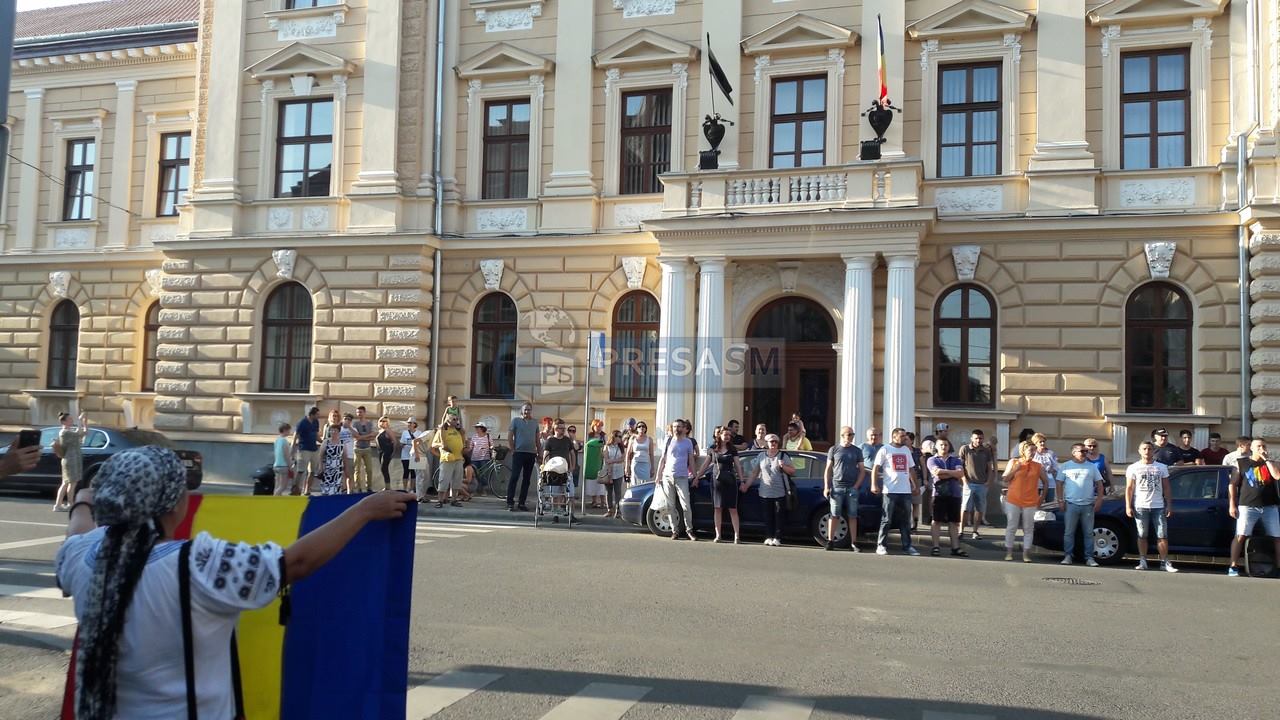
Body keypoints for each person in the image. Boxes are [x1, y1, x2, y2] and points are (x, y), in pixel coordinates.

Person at [55, 444, 412, 720]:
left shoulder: (81, 556)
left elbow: (79, 529)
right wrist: (364, 510)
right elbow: (297, 562)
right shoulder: (197, 564)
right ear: (171, 504)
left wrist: (82, 501)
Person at [1227, 438, 1280, 577]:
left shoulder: (1270, 463)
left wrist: (1267, 459)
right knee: (1241, 535)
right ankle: (1233, 565)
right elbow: (1232, 484)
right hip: (1247, 506)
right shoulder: (1241, 463)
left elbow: (1277, 475)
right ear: (1251, 448)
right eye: (1258, 446)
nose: (1261, 448)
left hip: (1269, 506)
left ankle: (1278, 567)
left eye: (1263, 446)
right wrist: (1232, 504)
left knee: (1277, 536)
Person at [1125, 440, 1178, 573]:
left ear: (1154, 451)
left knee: (1162, 535)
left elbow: (1166, 487)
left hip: (1158, 506)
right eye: (1144, 449)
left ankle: (1164, 561)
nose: (1147, 451)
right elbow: (1129, 488)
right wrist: (1128, 506)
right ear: (1139, 451)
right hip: (1140, 506)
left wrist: (1169, 505)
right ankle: (1143, 560)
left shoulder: (1161, 467)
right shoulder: (1133, 467)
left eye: (1149, 449)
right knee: (1142, 534)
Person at [871, 428, 919, 556]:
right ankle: (881, 545)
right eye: (902, 436)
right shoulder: (885, 449)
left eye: (905, 436)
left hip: (905, 491)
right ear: (894, 437)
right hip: (890, 491)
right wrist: (874, 484)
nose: (905, 438)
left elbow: (911, 469)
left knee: (905, 520)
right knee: (886, 519)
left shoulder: (906, 450)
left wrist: (915, 485)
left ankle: (907, 546)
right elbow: (876, 468)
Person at [1058, 442, 1105, 567]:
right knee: (1069, 532)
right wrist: (1060, 501)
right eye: (1082, 451)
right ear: (1073, 453)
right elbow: (1059, 483)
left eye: (1086, 451)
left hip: (1088, 504)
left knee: (1089, 532)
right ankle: (1068, 555)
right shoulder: (1065, 466)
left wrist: (1099, 500)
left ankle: (1089, 557)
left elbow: (1100, 484)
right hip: (1071, 504)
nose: (1085, 453)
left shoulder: (1091, 467)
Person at [743, 434, 793, 547]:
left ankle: (778, 537)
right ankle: (769, 536)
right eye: (771, 442)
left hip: (779, 491)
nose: (773, 444)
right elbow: (755, 473)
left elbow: (792, 471)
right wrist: (746, 485)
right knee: (767, 516)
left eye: (775, 441)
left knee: (779, 515)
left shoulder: (783, 455)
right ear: (767, 443)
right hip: (765, 492)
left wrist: (783, 466)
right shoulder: (761, 456)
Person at [1002, 441, 1047, 563]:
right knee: (1012, 526)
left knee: (1028, 528)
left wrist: (1041, 498)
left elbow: (1046, 482)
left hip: (1031, 500)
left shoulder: (1038, 466)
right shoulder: (1014, 462)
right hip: (1013, 499)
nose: (1033, 453)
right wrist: (1015, 469)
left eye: (1034, 450)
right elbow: (1005, 479)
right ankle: (1009, 553)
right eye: (1030, 450)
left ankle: (1026, 554)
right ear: (1023, 451)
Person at [823, 426, 865, 552]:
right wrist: (826, 486)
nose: (851, 437)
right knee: (834, 514)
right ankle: (830, 541)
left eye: (852, 434)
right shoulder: (834, 449)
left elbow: (862, 470)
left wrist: (856, 486)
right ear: (842, 435)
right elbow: (828, 469)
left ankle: (854, 542)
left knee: (853, 515)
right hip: (837, 486)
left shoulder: (857, 451)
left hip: (852, 487)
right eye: (849, 434)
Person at [654, 419, 697, 541]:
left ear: (684, 428)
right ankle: (675, 531)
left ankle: (689, 530)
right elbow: (663, 459)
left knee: (686, 505)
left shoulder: (688, 442)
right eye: (674, 427)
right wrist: (658, 476)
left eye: (679, 427)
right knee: (670, 506)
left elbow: (692, 460)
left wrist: (694, 476)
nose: (676, 429)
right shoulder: (668, 441)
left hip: (682, 477)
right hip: (667, 476)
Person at [927, 438, 966, 557]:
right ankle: (935, 547)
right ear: (937, 447)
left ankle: (955, 547)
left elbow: (960, 474)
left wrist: (945, 473)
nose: (944, 447)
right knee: (936, 521)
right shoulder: (932, 459)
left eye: (946, 445)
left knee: (954, 522)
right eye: (941, 445)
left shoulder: (956, 460)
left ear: (949, 446)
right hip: (939, 494)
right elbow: (936, 473)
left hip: (954, 494)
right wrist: (952, 473)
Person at [710, 426, 745, 543]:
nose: (727, 437)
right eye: (725, 435)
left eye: (729, 435)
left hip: (730, 481)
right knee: (717, 508)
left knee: (733, 508)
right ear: (719, 435)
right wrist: (697, 477)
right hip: (717, 482)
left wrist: (742, 481)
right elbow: (706, 464)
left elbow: (738, 466)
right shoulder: (714, 449)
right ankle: (718, 535)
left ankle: (737, 536)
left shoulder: (732, 449)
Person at [959, 429, 996, 539]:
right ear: (971, 438)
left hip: (982, 484)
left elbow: (990, 467)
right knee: (965, 508)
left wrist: (989, 481)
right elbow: (960, 466)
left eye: (980, 438)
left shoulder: (986, 451)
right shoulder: (965, 449)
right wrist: (964, 480)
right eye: (976, 438)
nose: (978, 440)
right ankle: (961, 530)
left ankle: (975, 531)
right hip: (969, 483)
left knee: (979, 509)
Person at [507, 403, 541, 511]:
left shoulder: (535, 422)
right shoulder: (516, 421)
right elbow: (510, 436)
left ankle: (521, 503)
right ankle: (510, 502)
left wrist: (539, 453)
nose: (527, 412)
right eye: (525, 410)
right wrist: (512, 449)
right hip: (519, 453)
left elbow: (537, 439)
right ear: (522, 410)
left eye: (529, 410)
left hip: (531, 453)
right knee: (514, 477)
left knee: (527, 479)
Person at [53, 411, 88, 511]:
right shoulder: (64, 432)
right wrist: (80, 421)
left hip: (74, 459)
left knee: (67, 483)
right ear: (63, 422)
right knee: (71, 483)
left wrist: (84, 422)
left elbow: (84, 433)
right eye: (70, 419)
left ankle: (58, 505)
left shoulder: (70, 431)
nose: (72, 420)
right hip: (70, 460)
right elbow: (79, 433)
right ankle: (69, 504)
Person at [542, 419, 578, 514]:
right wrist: (547, 468)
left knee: (571, 494)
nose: (563, 430)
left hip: (566, 470)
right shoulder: (550, 440)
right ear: (556, 428)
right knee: (555, 494)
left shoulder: (567, 440)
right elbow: (546, 455)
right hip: (554, 471)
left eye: (564, 428)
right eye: (561, 428)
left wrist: (573, 466)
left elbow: (572, 453)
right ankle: (555, 514)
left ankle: (571, 514)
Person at [431, 414, 466, 508]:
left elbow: (463, 443)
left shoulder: (458, 431)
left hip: (458, 458)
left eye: (457, 419)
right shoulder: (442, 431)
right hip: (447, 459)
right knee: (444, 480)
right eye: (454, 419)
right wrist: (441, 451)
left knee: (457, 481)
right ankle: (440, 501)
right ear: (448, 421)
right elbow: (434, 445)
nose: (456, 421)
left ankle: (454, 499)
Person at [292, 407, 322, 494]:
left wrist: (323, 442)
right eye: (317, 414)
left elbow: (316, 435)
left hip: (314, 449)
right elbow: (296, 436)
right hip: (304, 449)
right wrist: (292, 449)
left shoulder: (316, 422)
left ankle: (307, 490)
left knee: (312, 471)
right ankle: (295, 490)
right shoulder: (302, 422)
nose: (318, 416)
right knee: (300, 470)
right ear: (312, 414)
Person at [350, 406, 377, 493]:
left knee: (369, 469)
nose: (359, 414)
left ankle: (369, 487)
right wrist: (366, 437)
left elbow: (373, 436)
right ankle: (358, 488)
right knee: (357, 470)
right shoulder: (355, 424)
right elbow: (355, 436)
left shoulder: (369, 423)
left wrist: (361, 437)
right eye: (357, 412)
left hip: (367, 449)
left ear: (364, 412)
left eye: (360, 412)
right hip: (357, 448)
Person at [318, 424, 349, 496]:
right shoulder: (326, 442)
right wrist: (320, 466)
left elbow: (345, 456)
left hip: (338, 468)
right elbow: (320, 455)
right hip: (327, 468)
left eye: (335, 430)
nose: (333, 432)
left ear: (338, 431)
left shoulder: (342, 443)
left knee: (337, 487)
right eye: (331, 430)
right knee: (326, 488)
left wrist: (346, 468)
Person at [602, 431, 627, 518]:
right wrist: (610, 469)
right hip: (609, 471)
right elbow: (606, 459)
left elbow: (622, 458)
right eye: (619, 436)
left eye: (621, 436)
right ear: (614, 437)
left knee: (618, 492)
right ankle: (609, 510)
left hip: (619, 472)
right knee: (608, 492)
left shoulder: (621, 447)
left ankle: (618, 510)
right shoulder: (607, 447)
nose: (621, 438)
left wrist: (613, 461)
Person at [465, 422, 494, 495]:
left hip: (484, 458)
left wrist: (490, 448)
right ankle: (474, 490)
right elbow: (471, 447)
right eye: (476, 427)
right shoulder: (474, 436)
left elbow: (492, 445)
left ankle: (483, 490)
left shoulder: (488, 436)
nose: (476, 429)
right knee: (474, 475)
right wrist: (465, 451)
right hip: (474, 458)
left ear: (482, 428)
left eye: (477, 427)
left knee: (483, 475)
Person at [1031, 433, 1059, 504]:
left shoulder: (1050, 453)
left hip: (1049, 482)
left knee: (1049, 503)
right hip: (1035, 482)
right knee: (1035, 502)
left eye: (1044, 441)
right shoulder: (1033, 453)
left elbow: (1056, 467)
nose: (1043, 443)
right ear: (1035, 443)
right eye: (1040, 442)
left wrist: (1051, 470)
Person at [583, 430, 605, 510]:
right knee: (592, 483)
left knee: (601, 483)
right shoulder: (589, 435)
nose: (599, 428)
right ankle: (594, 501)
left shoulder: (603, 436)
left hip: (600, 462)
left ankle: (603, 501)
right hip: (591, 462)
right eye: (597, 426)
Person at [401, 418, 422, 493]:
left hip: (414, 455)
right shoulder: (405, 433)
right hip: (405, 455)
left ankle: (412, 489)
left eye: (411, 423)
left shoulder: (419, 433)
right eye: (408, 423)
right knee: (406, 471)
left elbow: (421, 443)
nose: (409, 424)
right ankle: (404, 488)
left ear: (414, 424)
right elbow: (402, 443)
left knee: (413, 472)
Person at [376, 416, 396, 491]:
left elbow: (394, 441)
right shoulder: (380, 431)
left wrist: (393, 452)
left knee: (384, 468)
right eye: (381, 421)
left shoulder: (388, 431)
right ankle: (387, 486)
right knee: (383, 469)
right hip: (380, 451)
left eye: (384, 421)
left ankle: (388, 487)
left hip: (387, 452)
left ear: (388, 423)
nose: (382, 422)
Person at [272, 422, 293, 496]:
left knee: (277, 485)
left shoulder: (277, 440)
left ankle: (277, 501)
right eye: (289, 430)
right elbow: (286, 455)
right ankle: (274, 499)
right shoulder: (284, 441)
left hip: (276, 465)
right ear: (284, 430)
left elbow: (275, 453)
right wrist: (290, 466)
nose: (289, 432)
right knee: (283, 486)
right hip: (283, 466)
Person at [339, 413, 356, 493]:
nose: (347, 420)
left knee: (349, 474)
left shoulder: (353, 429)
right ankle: (343, 489)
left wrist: (349, 427)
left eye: (349, 419)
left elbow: (357, 435)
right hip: (339, 454)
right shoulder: (339, 428)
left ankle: (350, 491)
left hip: (349, 454)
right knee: (341, 474)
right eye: (345, 418)